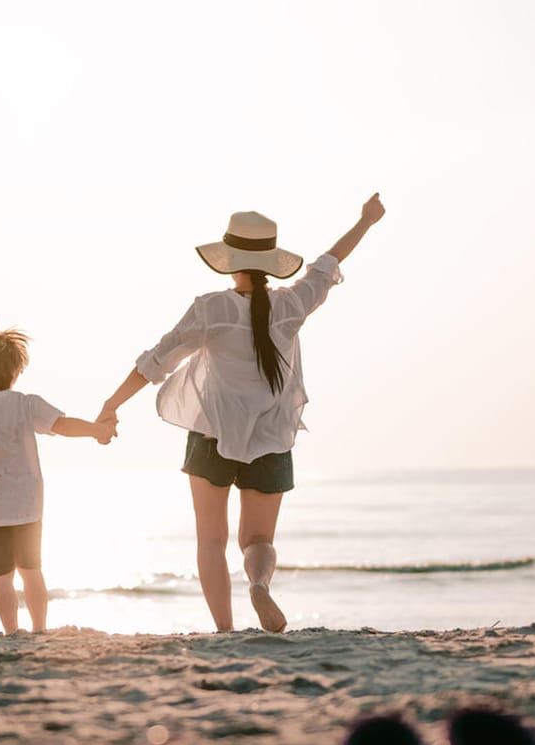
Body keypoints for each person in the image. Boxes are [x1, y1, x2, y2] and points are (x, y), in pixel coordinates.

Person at [97, 193, 386, 634]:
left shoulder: (212, 308)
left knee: (211, 542)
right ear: (270, 262)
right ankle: (259, 583)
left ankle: (226, 631)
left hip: (212, 434)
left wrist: (111, 405)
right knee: (258, 540)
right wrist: (365, 221)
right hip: (272, 436)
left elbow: (156, 362)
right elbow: (328, 263)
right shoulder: (292, 305)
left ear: (228, 260)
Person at [0, 329, 115, 634]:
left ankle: (10, 631)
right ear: (16, 373)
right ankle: (39, 628)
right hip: (27, 504)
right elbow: (64, 425)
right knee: (32, 570)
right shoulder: (27, 403)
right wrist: (97, 430)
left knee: (1, 576)